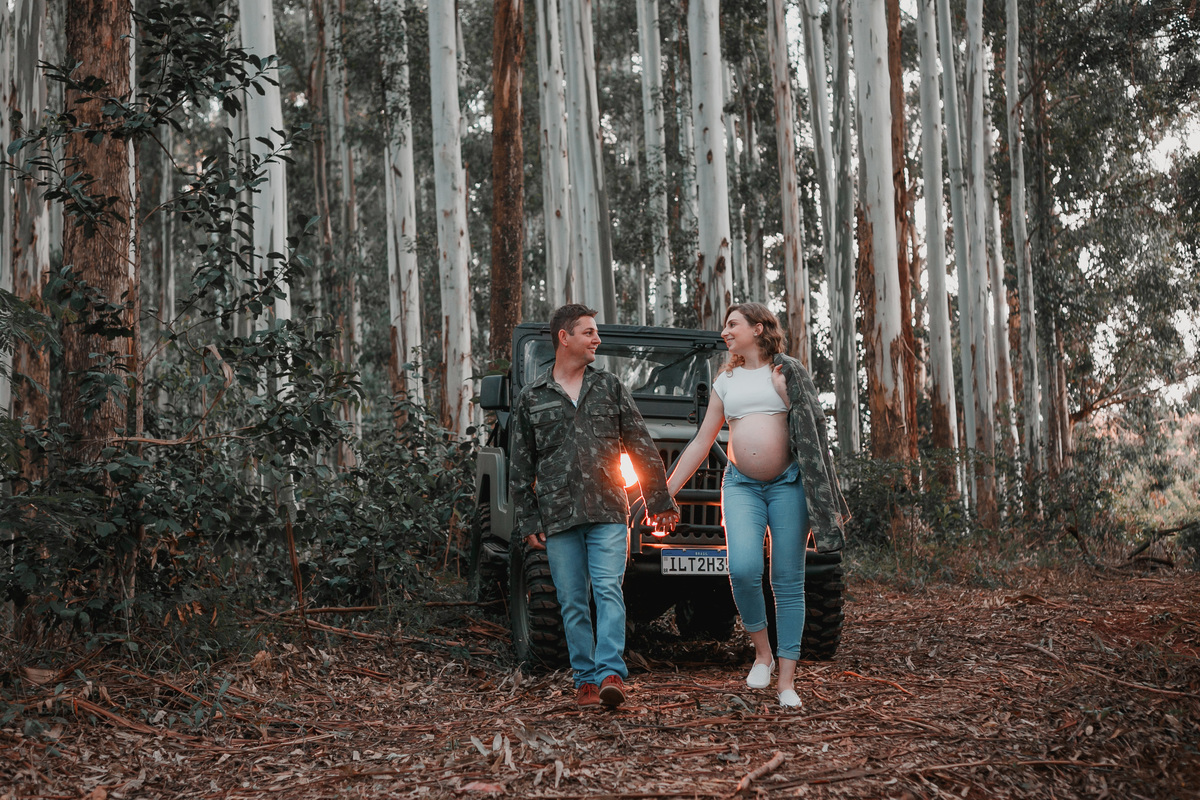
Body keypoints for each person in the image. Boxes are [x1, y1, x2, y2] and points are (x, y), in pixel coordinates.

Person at [664, 303, 845, 708]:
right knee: (743, 569)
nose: (725, 332)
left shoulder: (787, 372)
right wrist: (667, 490)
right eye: (725, 326)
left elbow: (813, 425)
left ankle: (786, 682)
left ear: (758, 328)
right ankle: (762, 654)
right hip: (741, 485)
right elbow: (702, 441)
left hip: (788, 485)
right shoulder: (725, 380)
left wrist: (786, 396)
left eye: (733, 324)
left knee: (787, 580)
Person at [510, 304, 680, 709]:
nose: (597, 340)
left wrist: (658, 500)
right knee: (572, 601)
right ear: (564, 337)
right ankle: (584, 680)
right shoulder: (532, 397)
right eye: (589, 332)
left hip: (608, 511)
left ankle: (610, 674)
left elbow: (639, 444)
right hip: (559, 517)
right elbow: (520, 467)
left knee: (607, 591)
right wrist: (529, 520)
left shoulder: (609, 386)